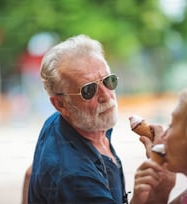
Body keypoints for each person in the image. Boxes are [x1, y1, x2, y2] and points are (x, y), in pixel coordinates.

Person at [28, 34, 139, 203]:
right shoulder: (74, 178)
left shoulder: (83, 123)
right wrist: (155, 191)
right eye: (89, 90)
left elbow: (30, 174)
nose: (106, 95)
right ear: (61, 104)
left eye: (109, 81)